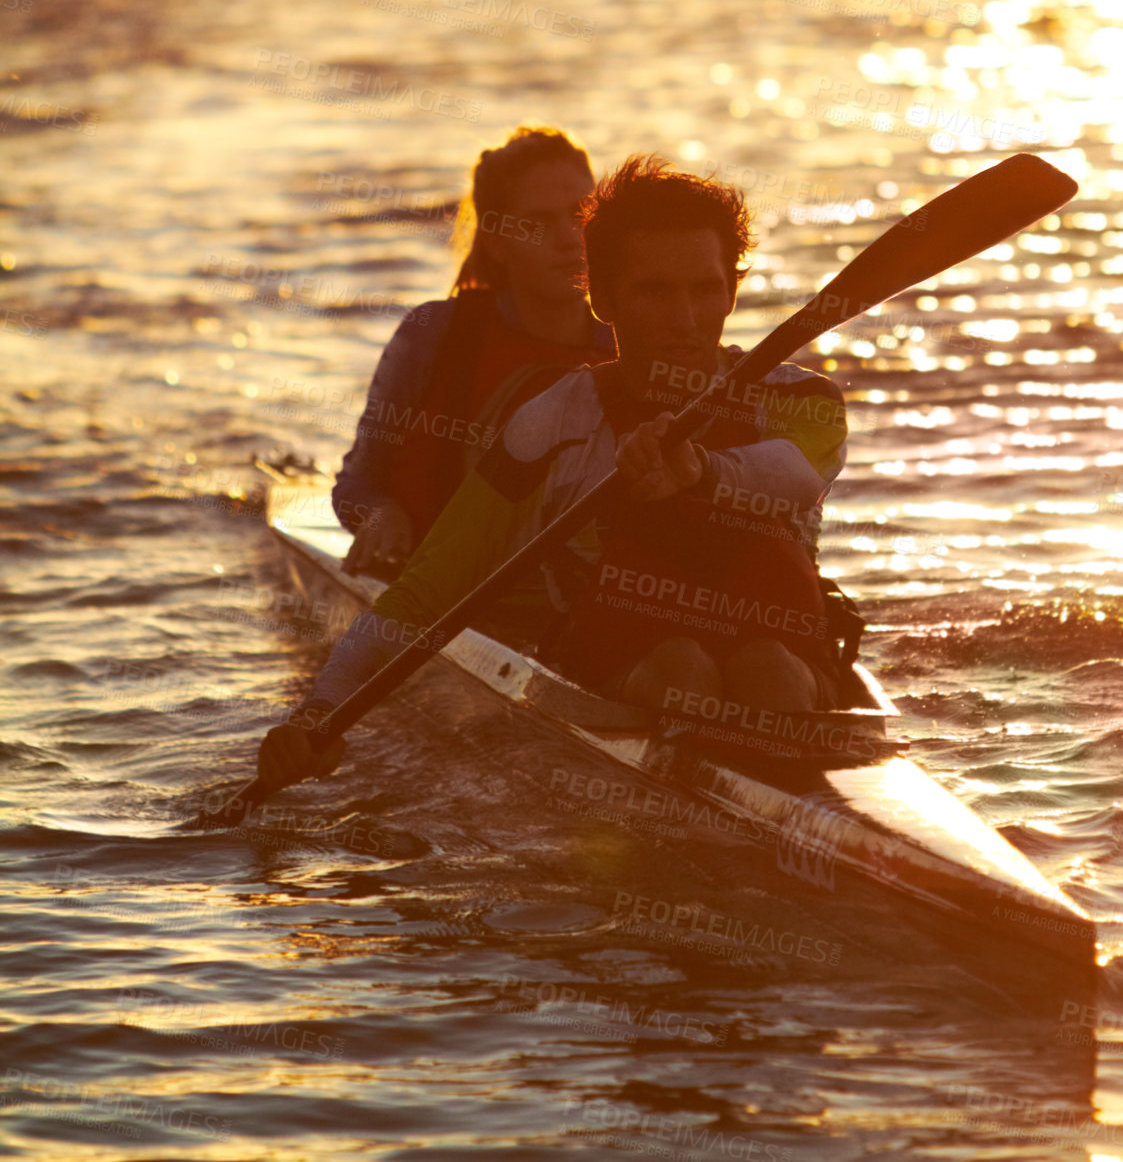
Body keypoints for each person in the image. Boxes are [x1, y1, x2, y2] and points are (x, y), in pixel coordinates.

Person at [259, 155, 848, 790]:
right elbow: (429, 590)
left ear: (732, 292)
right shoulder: (552, 423)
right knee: (686, 671)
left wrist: (699, 472)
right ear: (602, 298)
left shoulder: (801, 401)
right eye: (656, 291)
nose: (685, 318)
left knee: (768, 672)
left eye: (705, 290)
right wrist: (320, 713)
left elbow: (789, 474)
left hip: (781, 667)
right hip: (623, 664)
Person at [333, 125, 615, 578]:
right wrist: (381, 514)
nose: (570, 239)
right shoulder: (433, 336)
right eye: (540, 223)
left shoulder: (634, 346)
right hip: (435, 589)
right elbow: (356, 485)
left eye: (581, 216)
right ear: (498, 242)